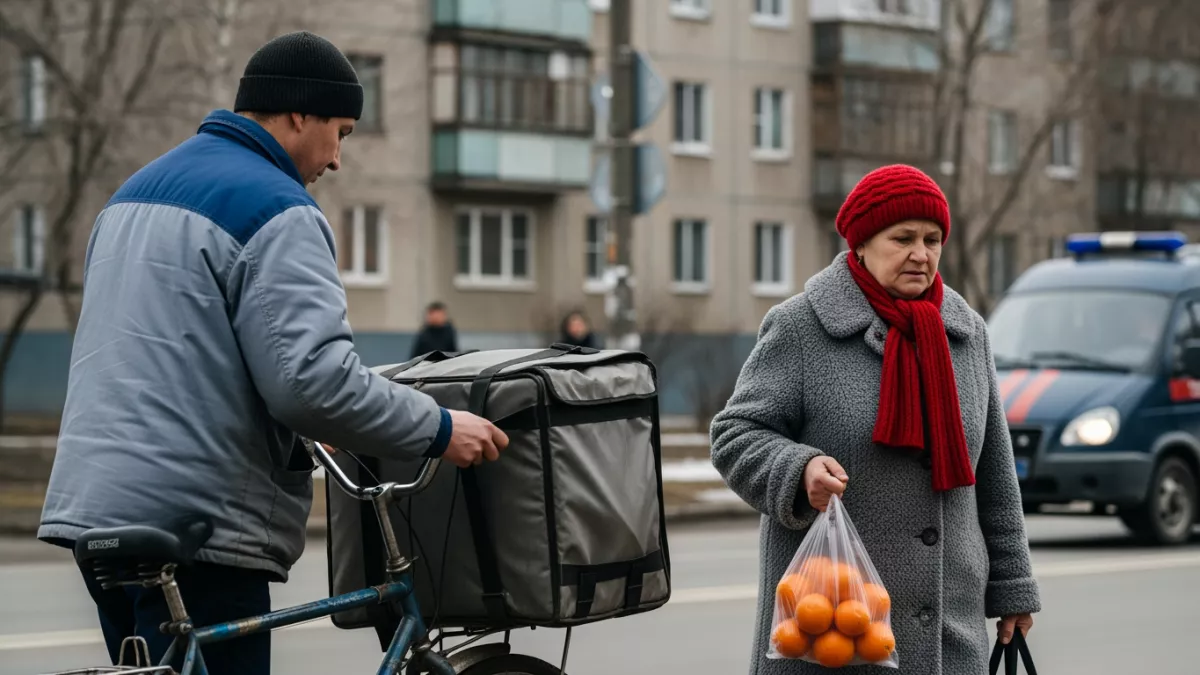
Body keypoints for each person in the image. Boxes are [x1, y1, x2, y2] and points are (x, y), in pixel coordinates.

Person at [37, 31, 508, 675]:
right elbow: (313, 383)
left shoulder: (132, 195)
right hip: (196, 526)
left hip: (98, 511)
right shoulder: (276, 207)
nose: (337, 159)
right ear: (298, 115)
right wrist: (442, 428)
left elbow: (180, 356)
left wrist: (303, 432)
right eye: (340, 132)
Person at [709, 164, 1040, 675]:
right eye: (903, 238)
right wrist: (799, 470)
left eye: (932, 240)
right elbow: (735, 435)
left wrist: (1013, 586)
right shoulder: (801, 326)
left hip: (951, 631)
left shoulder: (965, 333)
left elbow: (993, 471)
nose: (920, 253)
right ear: (861, 244)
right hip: (831, 629)